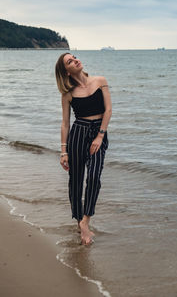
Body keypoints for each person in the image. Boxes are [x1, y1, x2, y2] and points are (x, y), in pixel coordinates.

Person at [55, 53, 112, 245]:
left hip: (98, 132)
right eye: (69, 62)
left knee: (94, 176)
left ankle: (86, 220)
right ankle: (80, 222)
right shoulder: (68, 93)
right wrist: (64, 151)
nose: (75, 61)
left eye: (74, 57)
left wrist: (100, 136)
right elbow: (65, 123)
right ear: (66, 72)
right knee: (76, 181)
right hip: (78, 134)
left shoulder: (100, 80)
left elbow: (108, 110)